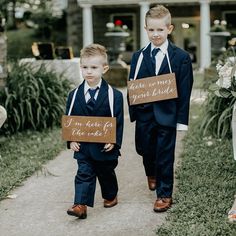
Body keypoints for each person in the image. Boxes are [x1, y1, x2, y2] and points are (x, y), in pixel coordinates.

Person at [128, 5, 193, 212]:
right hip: (145, 115)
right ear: (146, 29)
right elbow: (133, 83)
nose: (156, 34)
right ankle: (151, 172)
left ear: (169, 29)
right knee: (145, 150)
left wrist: (181, 122)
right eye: (151, 30)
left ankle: (164, 194)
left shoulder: (180, 57)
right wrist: (134, 111)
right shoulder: (138, 56)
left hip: (167, 115)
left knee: (165, 155)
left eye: (160, 30)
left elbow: (184, 91)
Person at [65, 43, 124, 219]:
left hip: (104, 147)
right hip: (83, 147)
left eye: (93, 67)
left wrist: (113, 140)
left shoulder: (114, 95)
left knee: (105, 174)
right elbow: (71, 119)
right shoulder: (74, 95)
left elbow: (118, 122)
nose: (88, 71)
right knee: (84, 173)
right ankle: (80, 205)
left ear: (104, 68)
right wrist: (71, 139)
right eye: (84, 67)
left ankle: (110, 194)